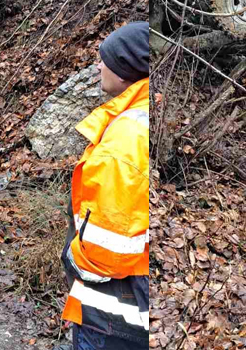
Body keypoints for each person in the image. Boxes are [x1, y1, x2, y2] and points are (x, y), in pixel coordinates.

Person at [56, 21, 150, 350]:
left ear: (125, 69)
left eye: (104, 59)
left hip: (113, 311)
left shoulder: (124, 140)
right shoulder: (146, 115)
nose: (98, 66)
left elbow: (107, 251)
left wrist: (74, 258)